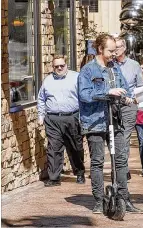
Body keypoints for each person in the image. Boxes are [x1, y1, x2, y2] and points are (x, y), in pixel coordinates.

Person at [78, 34, 141, 214]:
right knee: (98, 161)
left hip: (116, 119)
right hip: (95, 121)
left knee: (120, 160)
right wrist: (109, 91)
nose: (114, 54)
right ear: (100, 49)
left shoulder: (115, 69)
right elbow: (84, 95)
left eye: (115, 50)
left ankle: (124, 198)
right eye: (110, 51)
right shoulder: (88, 70)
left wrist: (129, 98)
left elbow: (125, 89)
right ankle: (99, 200)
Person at [37, 55, 85, 187]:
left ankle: (79, 172)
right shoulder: (48, 80)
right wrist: (41, 116)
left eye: (61, 66)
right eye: (56, 66)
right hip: (52, 118)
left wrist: (82, 117)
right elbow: (41, 99)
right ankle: (54, 178)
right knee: (54, 148)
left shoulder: (76, 77)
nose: (59, 68)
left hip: (72, 117)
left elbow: (82, 98)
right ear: (53, 67)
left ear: (66, 65)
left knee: (75, 146)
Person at [114, 36, 143, 181]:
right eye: (113, 47)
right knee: (113, 137)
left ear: (124, 48)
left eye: (118, 47)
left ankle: (122, 169)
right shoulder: (109, 65)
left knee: (124, 137)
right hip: (113, 105)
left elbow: (140, 86)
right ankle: (119, 167)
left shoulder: (134, 65)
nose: (115, 50)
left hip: (129, 106)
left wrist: (134, 100)